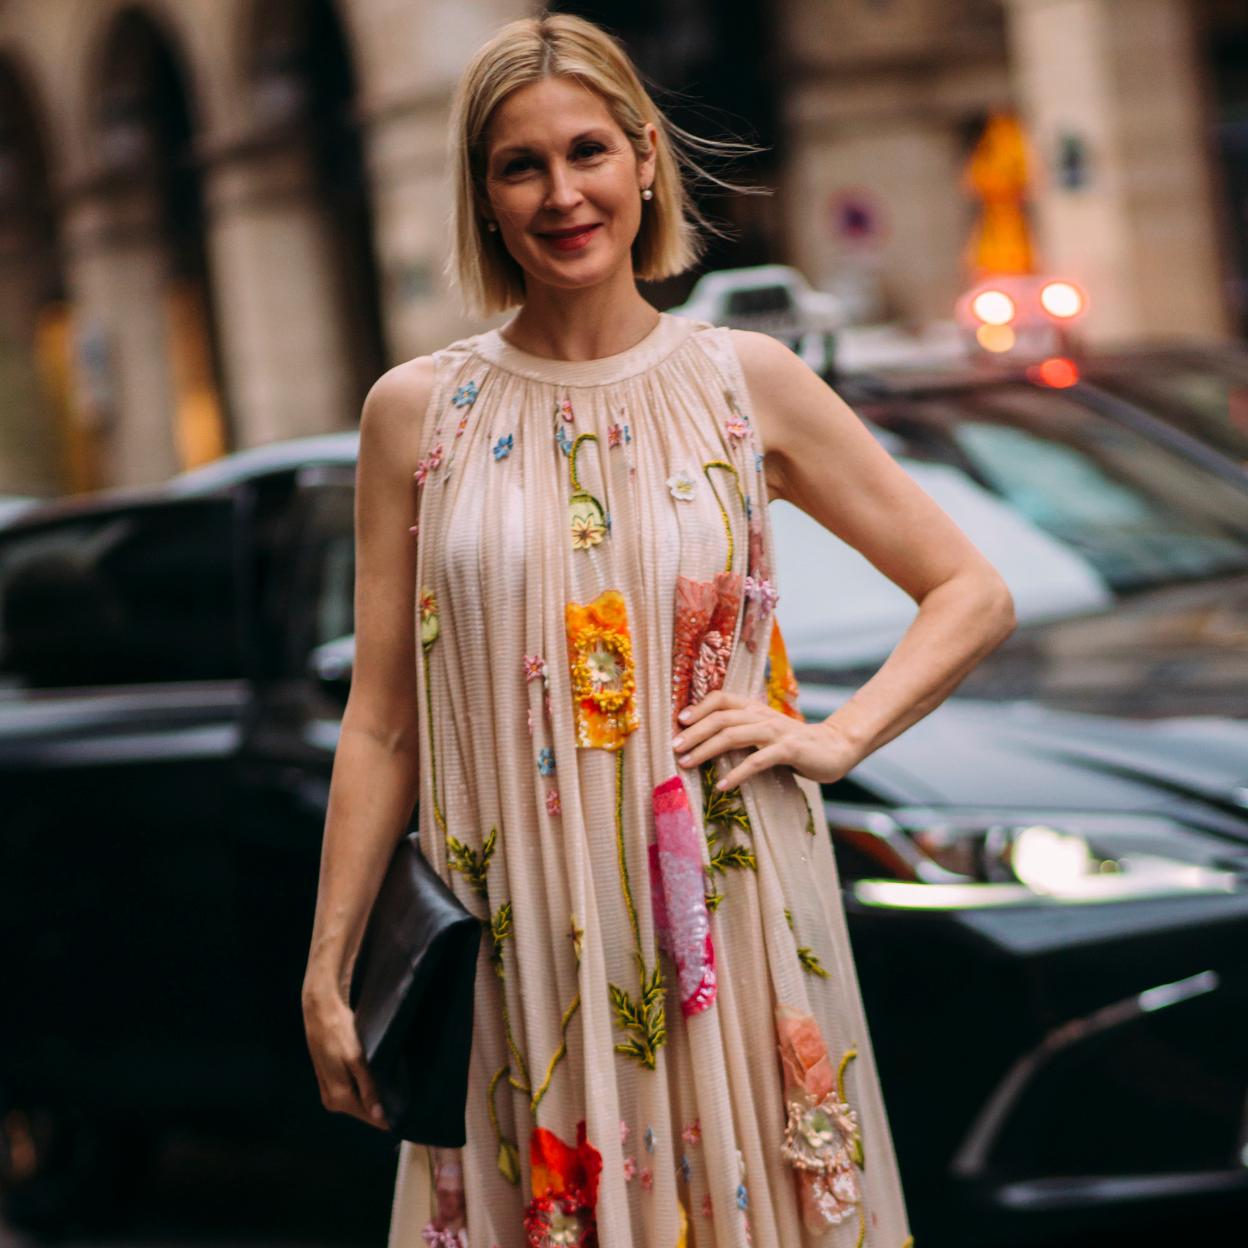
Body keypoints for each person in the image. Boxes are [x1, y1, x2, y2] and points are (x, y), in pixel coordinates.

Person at [301, 12, 1015, 1248]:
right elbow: (379, 721)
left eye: (587, 152)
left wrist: (835, 737)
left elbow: (970, 591)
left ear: (643, 160)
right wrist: (330, 965)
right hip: (510, 933)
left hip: (723, 913)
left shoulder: (750, 383)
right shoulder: (415, 414)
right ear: (482, 195)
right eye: (521, 165)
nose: (562, 192)